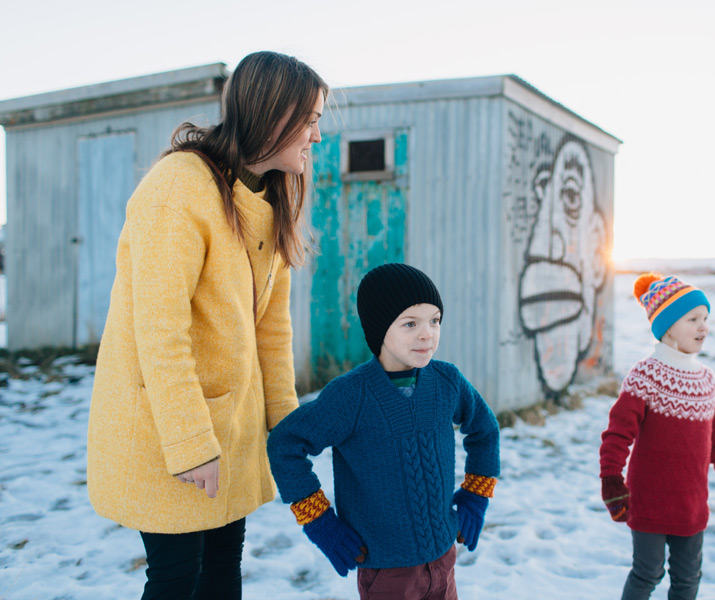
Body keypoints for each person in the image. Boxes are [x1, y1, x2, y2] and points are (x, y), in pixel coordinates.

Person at [86, 51, 328, 599]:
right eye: (309, 120)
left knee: (223, 572)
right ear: (275, 114)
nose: (316, 136)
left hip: (231, 431)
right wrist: (193, 443)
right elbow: (158, 329)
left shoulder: (270, 197)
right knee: (177, 579)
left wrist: (287, 424)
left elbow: (272, 331)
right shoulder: (179, 188)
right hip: (168, 430)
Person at [267, 263, 501, 600]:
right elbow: (286, 444)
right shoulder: (352, 395)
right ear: (379, 330)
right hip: (387, 572)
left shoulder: (447, 382)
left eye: (435, 320)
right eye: (410, 324)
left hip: (443, 561)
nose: (427, 334)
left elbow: (484, 429)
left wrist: (476, 496)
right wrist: (319, 521)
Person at [599, 273, 715, 600]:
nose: (704, 327)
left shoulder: (707, 380)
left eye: (706, 319)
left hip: (691, 504)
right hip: (649, 501)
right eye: (693, 319)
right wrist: (612, 479)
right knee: (648, 573)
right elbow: (618, 433)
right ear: (668, 326)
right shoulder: (646, 375)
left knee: (688, 579)